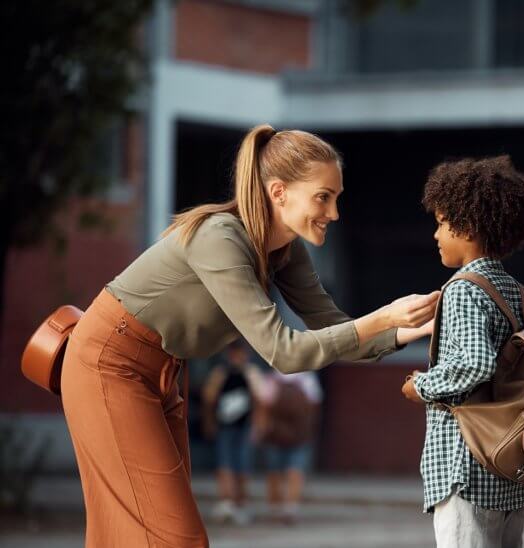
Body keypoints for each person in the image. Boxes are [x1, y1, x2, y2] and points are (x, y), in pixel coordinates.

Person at [60, 125, 439, 547]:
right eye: (323, 197)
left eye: (336, 198)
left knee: (135, 534)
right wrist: (382, 317)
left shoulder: (286, 250)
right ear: (279, 192)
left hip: (162, 373)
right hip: (110, 364)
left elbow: (333, 328)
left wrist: (410, 329)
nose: (334, 213)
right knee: (173, 537)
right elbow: (284, 351)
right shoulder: (220, 238)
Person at [401, 156, 524, 548]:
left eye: (442, 222)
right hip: (509, 468)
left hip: (467, 467)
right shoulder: (516, 292)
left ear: (468, 225)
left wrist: (421, 386)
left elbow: (475, 363)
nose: (436, 234)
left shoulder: (463, 289)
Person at [201, 340, 264, 525]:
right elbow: (209, 398)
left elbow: (260, 400)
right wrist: (210, 421)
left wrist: (258, 424)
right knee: (225, 463)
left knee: (242, 464)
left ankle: (241, 502)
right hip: (225, 425)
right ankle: (226, 501)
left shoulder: (251, 373)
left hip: (244, 426)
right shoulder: (220, 373)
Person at [254, 368, 323, 525]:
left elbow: (263, 405)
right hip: (299, 434)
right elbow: (315, 405)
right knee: (296, 471)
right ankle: (290, 508)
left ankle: (275, 508)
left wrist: (260, 429)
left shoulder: (272, 378)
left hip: (275, 433)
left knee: (274, 472)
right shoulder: (307, 379)